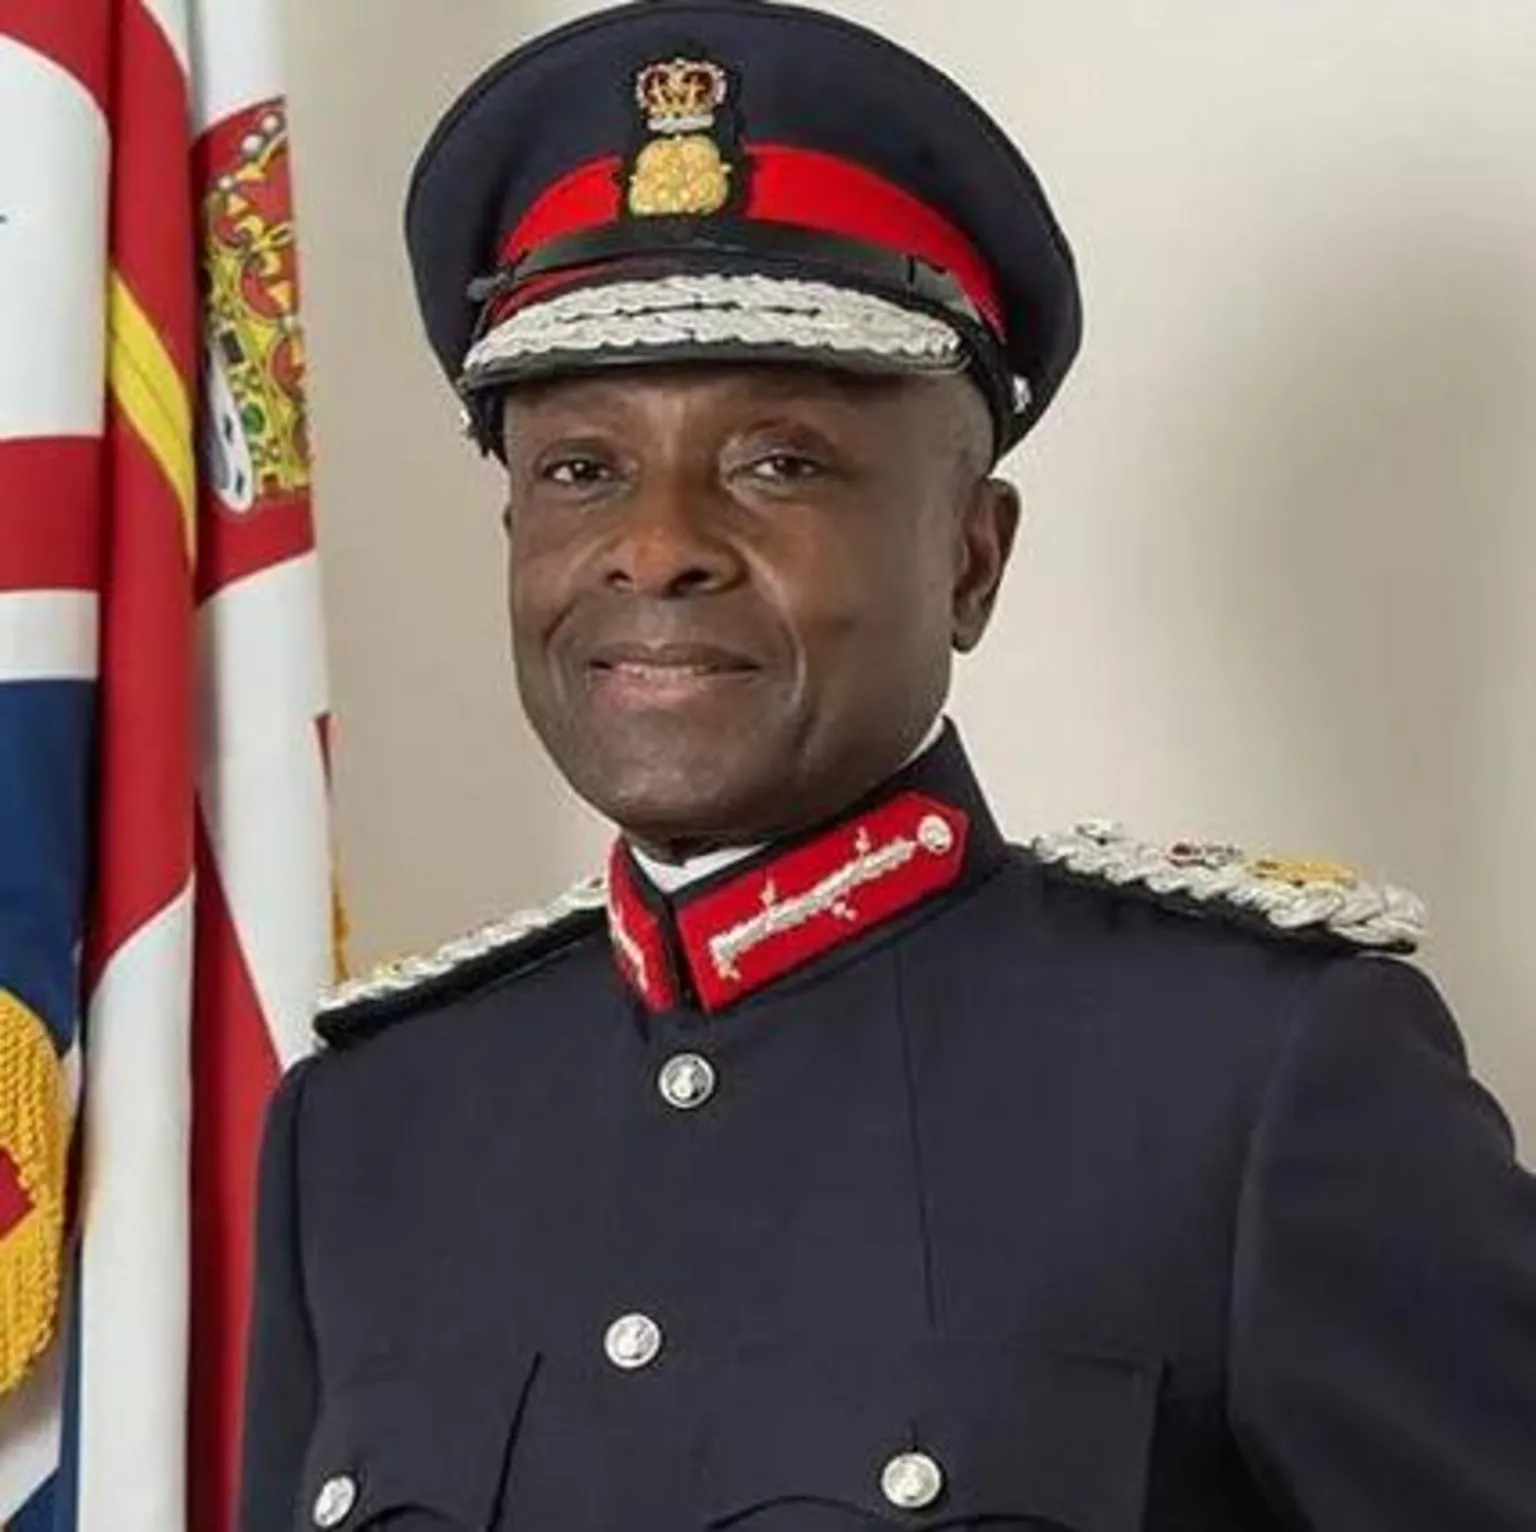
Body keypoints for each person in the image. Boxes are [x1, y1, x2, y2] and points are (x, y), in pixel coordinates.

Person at [240, 2, 1536, 1528]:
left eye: (778, 463)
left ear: (972, 559)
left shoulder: (1256, 1085)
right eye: (579, 471)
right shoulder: (370, 1128)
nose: (652, 545)